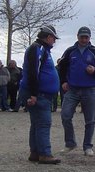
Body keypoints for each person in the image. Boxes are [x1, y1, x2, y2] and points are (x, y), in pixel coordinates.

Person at [59, 26, 95, 156]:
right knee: (65, 115)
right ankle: (70, 143)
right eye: (82, 37)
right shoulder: (70, 51)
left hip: (89, 89)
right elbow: (61, 67)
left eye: (86, 37)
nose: (84, 39)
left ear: (90, 38)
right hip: (72, 89)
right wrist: (63, 81)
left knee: (90, 120)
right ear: (77, 36)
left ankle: (87, 146)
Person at [19, 25, 61, 164]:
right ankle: (44, 153)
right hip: (39, 94)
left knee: (36, 123)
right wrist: (33, 94)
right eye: (53, 38)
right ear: (48, 37)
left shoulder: (41, 50)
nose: (54, 41)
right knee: (43, 123)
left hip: (40, 93)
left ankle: (35, 152)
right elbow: (33, 71)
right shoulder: (38, 49)